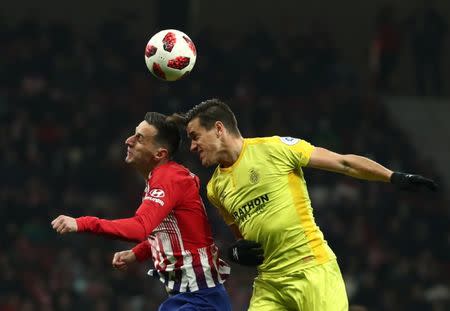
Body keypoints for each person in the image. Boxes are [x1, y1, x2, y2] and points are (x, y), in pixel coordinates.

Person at [173, 98, 437, 311]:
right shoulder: (214, 189)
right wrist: (235, 253)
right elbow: (245, 241)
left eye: (195, 136)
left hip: (312, 271)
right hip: (270, 285)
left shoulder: (275, 149)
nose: (193, 146)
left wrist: (394, 177)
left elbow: (343, 162)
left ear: (219, 128)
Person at [51, 112, 232, 311]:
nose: (128, 141)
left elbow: (139, 228)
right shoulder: (162, 179)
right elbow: (173, 233)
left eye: (139, 139)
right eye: (133, 134)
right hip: (189, 298)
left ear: (160, 154)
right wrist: (136, 254)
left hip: (202, 299)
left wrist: (82, 222)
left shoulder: (169, 178)